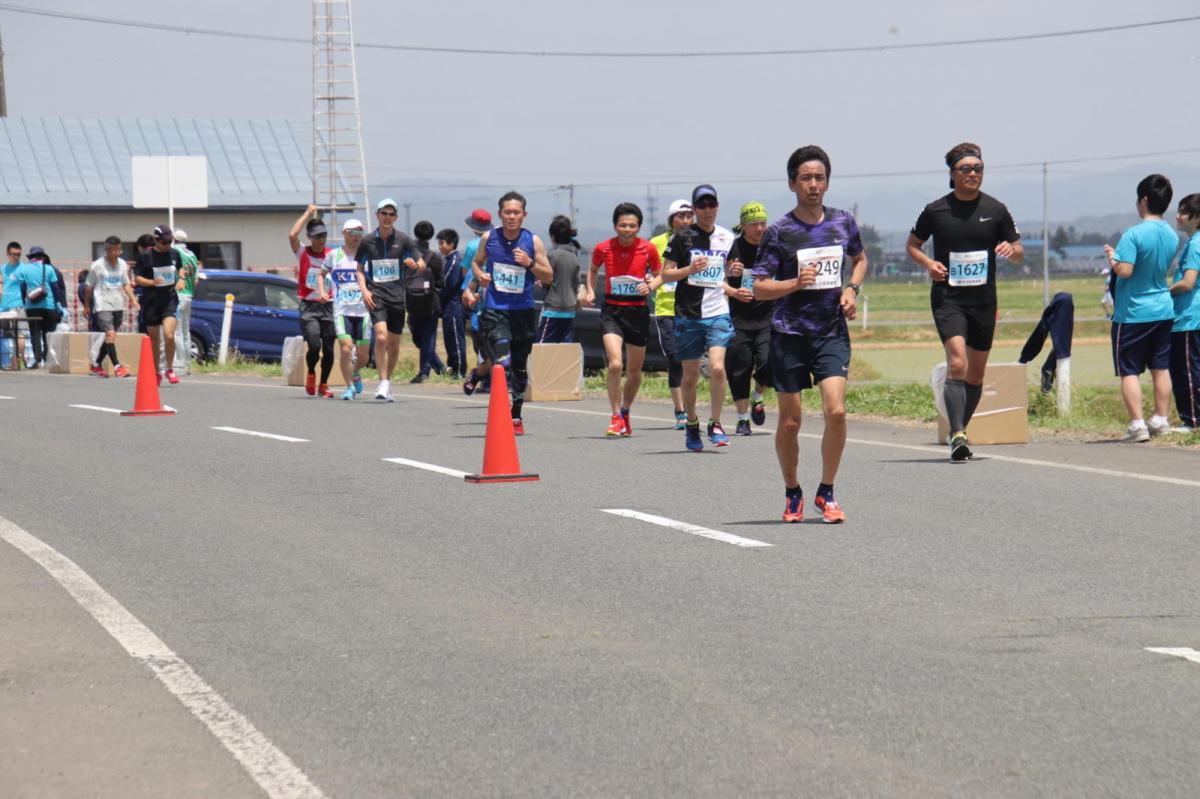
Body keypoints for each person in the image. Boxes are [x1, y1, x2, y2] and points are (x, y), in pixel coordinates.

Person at [754, 145, 868, 523]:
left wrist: (851, 290)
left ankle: (827, 491)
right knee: (790, 420)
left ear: (827, 183)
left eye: (819, 178)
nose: (813, 185)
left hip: (830, 331)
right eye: (806, 178)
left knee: (836, 410)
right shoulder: (779, 232)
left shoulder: (843, 222)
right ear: (792, 183)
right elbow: (759, 288)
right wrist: (793, 284)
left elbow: (860, 258)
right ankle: (792, 492)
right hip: (789, 333)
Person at [906, 142, 1023, 461]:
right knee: (957, 363)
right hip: (949, 298)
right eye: (966, 169)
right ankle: (957, 433)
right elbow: (913, 245)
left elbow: (1018, 247)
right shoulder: (935, 210)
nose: (973, 174)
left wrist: (1011, 251)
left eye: (978, 169)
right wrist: (929, 265)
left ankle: (960, 431)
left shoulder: (996, 209)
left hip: (984, 300)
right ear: (953, 174)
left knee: (975, 373)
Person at [469, 191, 554, 434]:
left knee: (519, 366)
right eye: (507, 212)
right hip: (496, 307)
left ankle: (515, 415)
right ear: (500, 214)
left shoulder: (533, 241)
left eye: (516, 212)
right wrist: (480, 276)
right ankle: (497, 389)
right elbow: (477, 262)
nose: (512, 216)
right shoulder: (489, 238)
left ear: (524, 215)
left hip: (523, 310)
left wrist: (529, 263)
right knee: (502, 352)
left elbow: (549, 276)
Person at [660, 184, 737, 451]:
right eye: (701, 205)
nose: (707, 210)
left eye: (711, 204)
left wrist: (735, 272)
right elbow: (666, 274)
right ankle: (692, 423)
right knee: (690, 375)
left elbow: (729, 272)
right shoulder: (682, 237)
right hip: (688, 314)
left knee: (717, 367)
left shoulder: (727, 237)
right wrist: (689, 268)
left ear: (717, 206)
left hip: (718, 311)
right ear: (694, 210)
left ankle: (715, 422)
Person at [1103, 174, 1178, 441]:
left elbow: (1124, 271)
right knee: (1161, 366)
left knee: (1129, 370)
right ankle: (1160, 418)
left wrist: (1113, 257)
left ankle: (1137, 425)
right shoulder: (1171, 234)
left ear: (1144, 200)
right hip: (1163, 308)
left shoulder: (1133, 234)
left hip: (1133, 312)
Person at [585, 202, 662, 436]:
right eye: (622, 225)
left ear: (638, 227)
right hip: (612, 310)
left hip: (637, 311)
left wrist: (651, 285)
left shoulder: (648, 249)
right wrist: (589, 290)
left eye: (632, 226)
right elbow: (592, 269)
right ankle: (615, 415)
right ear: (615, 226)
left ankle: (626, 410)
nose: (627, 230)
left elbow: (659, 275)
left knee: (635, 370)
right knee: (616, 364)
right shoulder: (603, 248)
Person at [356, 198, 426, 401]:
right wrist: (364, 291)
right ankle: (382, 381)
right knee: (380, 337)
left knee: (394, 345)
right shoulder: (367, 241)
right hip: (376, 294)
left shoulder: (403, 240)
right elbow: (359, 269)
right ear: (377, 215)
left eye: (391, 214)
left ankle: (388, 381)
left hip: (397, 296)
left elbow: (421, 264)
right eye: (383, 213)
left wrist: (414, 263)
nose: (387, 217)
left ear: (395, 217)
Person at [727, 202, 773, 435]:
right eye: (755, 224)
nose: (760, 228)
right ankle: (743, 418)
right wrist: (731, 276)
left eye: (763, 223)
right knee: (739, 369)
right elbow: (718, 280)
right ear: (744, 226)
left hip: (767, 317)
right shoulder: (733, 247)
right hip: (739, 319)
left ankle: (758, 397)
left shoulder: (772, 247)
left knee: (768, 362)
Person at [650, 200, 694, 428]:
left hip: (691, 309)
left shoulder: (698, 240)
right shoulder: (656, 243)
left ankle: (690, 407)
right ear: (671, 219)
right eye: (681, 216)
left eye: (689, 216)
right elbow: (646, 270)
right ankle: (680, 411)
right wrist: (648, 281)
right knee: (675, 359)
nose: (686, 220)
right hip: (666, 309)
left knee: (689, 362)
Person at [290, 205, 336, 398]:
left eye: (323, 236)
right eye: (317, 236)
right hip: (309, 305)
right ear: (310, 237)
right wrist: (308, 213)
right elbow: (292, 235)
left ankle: (324, 383)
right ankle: (311, 372)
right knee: (315, 345)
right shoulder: (303, 253)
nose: (320, 240)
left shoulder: (332, 254)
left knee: (329, 347)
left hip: (329, 305)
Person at [323, 218, 370, 400]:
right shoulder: (334, 255)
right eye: (352, 232)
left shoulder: (367, 256)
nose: (356, 236)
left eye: (359, 233)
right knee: (345, 349)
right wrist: (322, 290)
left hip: (364, 310)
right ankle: (349, 386)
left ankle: (356, 371)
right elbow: (321, 273)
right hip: (342, 310)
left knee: (364, 355)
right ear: (344, 233)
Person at [133, 226, 184, 383]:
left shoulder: (175, 253)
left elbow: (180, 268)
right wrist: (152, 282)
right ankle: (156, 371)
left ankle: (169, 368)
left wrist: (181, 278)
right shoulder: (145, 256)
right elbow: (137, 278)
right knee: (155, 340)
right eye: (164, 243)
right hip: (151, 302)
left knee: (169, 335)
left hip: (169, 299)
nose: (167, 246)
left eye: (170, 242)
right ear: (156, 240)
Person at [1168, 193, 1200, 433]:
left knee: (1186, 369)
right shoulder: (1193, 242)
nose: (1178, 216)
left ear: (1197, 218)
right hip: (1189, 317)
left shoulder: (1195, 244)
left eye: (1184, 212)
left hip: (1189, 317)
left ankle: (1192, 420)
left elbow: (1188, 283)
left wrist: (1163, 291)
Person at [85, 235, 138, 377]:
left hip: (118, 304)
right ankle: (117, 366)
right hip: (103, 304)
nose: (116, 253)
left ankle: (96, 364)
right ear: (107, 250)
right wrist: (86, 306)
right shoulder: (97, 265)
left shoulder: (122, 264)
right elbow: (89, 287)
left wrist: (133, 299)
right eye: (113, 250)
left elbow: (125, 284)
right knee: (110, 333)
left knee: (110, 337)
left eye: (118, 250)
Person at [407, 220, 446, 383]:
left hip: (412, 302)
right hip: (431, 303)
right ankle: (437, 368)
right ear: (431, 236)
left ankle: (426, 371)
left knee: (418, 337)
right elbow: (440, 282)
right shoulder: (435, 258)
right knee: (427, 338)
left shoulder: (407, 257)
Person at [461, 208, 493, 393]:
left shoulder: (474, 245)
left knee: (481, 342)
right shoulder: (497, 240)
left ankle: (484, 377)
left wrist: (470, 289)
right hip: (491, 293)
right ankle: (487, 377)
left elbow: (467, 271)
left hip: (479, 297)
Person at [537, 215, 582, 343]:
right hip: (570, 310)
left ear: (553, 237)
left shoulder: (552, 255)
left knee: (542, 348)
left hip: (552, 309)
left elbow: (548, 279)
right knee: (563, 350)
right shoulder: (574, 255)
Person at [20, 245, 61, 368]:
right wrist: (58, 303)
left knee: (35, 333)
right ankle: (47, 358)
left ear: (31, 258)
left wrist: (24, 301)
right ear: (42, 257)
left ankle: (38, 360)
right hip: (48, 306)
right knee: (48, 334)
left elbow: (22, 288)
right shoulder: (48, 269)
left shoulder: (24, 269)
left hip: (31, 307)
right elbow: (55, 288)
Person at [437, 228, 468, 378]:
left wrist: (437, 298)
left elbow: (447, 284)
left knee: (456, 340)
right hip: (447, 308)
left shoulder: (455, 261)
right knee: (449, 340)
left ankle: (460, 370)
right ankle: (453, 368)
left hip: (454, 307)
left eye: (442, 243)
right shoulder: (447, 260)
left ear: (451, 244)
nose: (440, 246)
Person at [172, 228, 200, 375]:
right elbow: (196, 280)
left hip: (177, 294)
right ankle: (188, 363)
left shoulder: (174, 252)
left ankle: (180, 363)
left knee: (176, 332)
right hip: (189, 295)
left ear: (174, 239)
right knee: (186, 331)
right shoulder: (193, 255)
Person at [133, 234, 155, 334]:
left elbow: (138, 278)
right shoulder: (163, 253)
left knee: (145, 327)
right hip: (165, 297)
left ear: (140, 246)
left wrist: (137, 283)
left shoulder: (144, 255)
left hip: (148, 296)